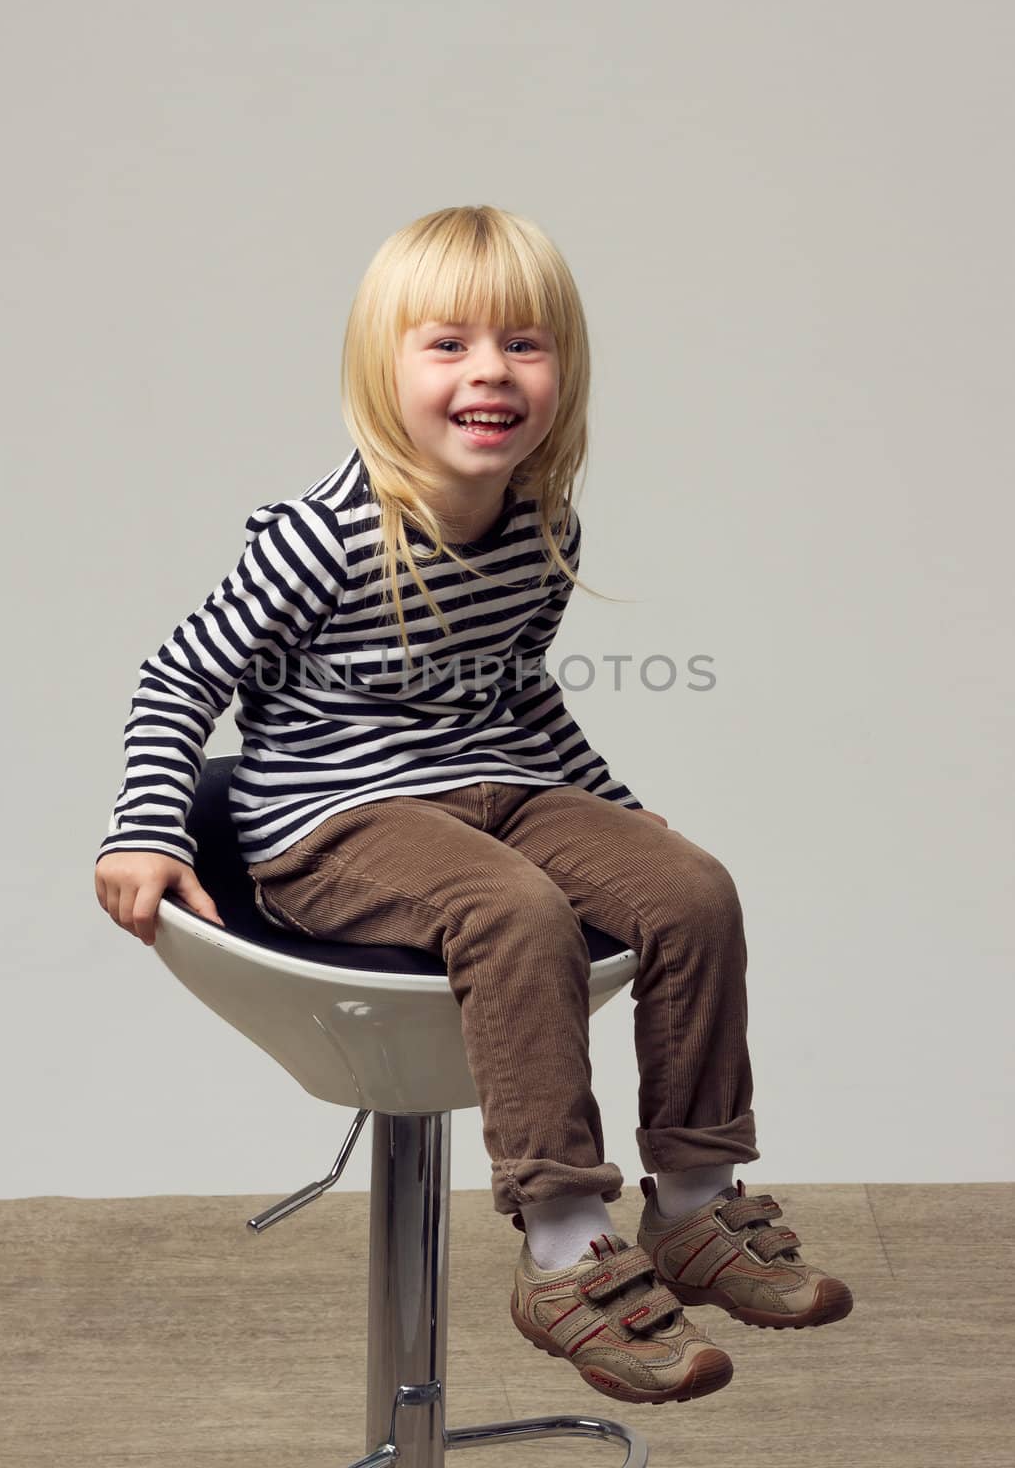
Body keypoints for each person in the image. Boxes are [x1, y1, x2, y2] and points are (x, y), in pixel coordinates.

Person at [94, 203, 852, 1406]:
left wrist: (618, 809)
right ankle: (559, 1238)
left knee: (693, 888)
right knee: (513, 910)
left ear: (563, 373)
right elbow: (178, 672)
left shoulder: (539, 521)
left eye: (523, 343)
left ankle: (697, 1202)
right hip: (332, 820)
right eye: (446, 344)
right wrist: (142, 822)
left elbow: (520, 693)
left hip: (499, 784)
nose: (489, 370)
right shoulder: (318, 539)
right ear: (381, 370)